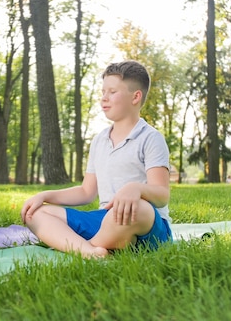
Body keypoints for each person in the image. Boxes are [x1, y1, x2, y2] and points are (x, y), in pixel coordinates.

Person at [21, 60, 172, 258]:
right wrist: (45, 196)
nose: (104, 98)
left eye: (112, 92)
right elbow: (86, 192)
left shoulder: (151, 138)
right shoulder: (99, 140)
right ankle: (91, 251)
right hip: (105, 220)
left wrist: (136, 189)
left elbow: (162, 195)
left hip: (147, 225)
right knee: (36, 213)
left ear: (135, 97)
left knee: (137, 209)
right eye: (103, 92)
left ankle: (87, 244)